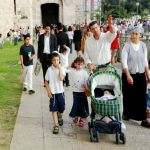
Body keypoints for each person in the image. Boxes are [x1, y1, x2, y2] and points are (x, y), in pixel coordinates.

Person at [121, 26, 150, 128]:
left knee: (142, 96)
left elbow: (145, 61)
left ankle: (143, 119)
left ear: (140, 35)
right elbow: (124, 62)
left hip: (141, 74)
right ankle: (126, 114)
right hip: (128, 74)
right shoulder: (126, 46)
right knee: (128, 95)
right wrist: (128, 75)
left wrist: (148, 75)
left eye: (136, 34)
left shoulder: (143, 45)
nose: (134, 35)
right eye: (133, 33)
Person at [45, 52, 66, 134]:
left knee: (61, 108)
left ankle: (59, 114)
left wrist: (60, 68)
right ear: (51, 61)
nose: (56, 62)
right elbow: (46, 81)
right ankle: (55, 125)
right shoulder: (49, 70)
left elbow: (61, 78)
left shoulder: (62, 68)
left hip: (60, 92)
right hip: (53, 93)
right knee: (54, 109)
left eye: (57, 60)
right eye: (54, 60)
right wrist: (48, 92)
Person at [68, 57, 89, 127]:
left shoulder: (85, 72)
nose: (80, 66)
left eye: (81, 64)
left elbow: (87, 81)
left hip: (83, 92)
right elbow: (65, 70)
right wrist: (70, 64)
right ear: (75, 64)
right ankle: (76, 116)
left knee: (82, 106)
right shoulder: (73, 71)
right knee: (76, 105)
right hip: (75, 92)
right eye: (78, 64)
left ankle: (81, 119)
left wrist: (86, 86)